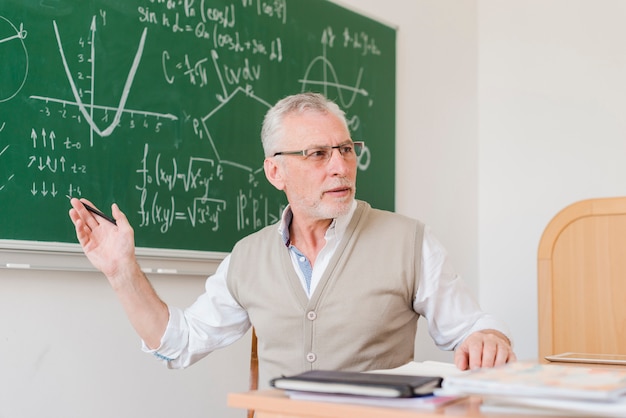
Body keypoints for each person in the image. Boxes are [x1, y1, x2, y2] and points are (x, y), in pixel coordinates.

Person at [69, 92, 516, 388]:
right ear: (275, 171)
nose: (340, 167)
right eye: (317, 154)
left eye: (345, 149)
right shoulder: (248, 258)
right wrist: (121, 271)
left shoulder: (409, 241)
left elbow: (472, 329)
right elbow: (180, 343)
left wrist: (488, 338)